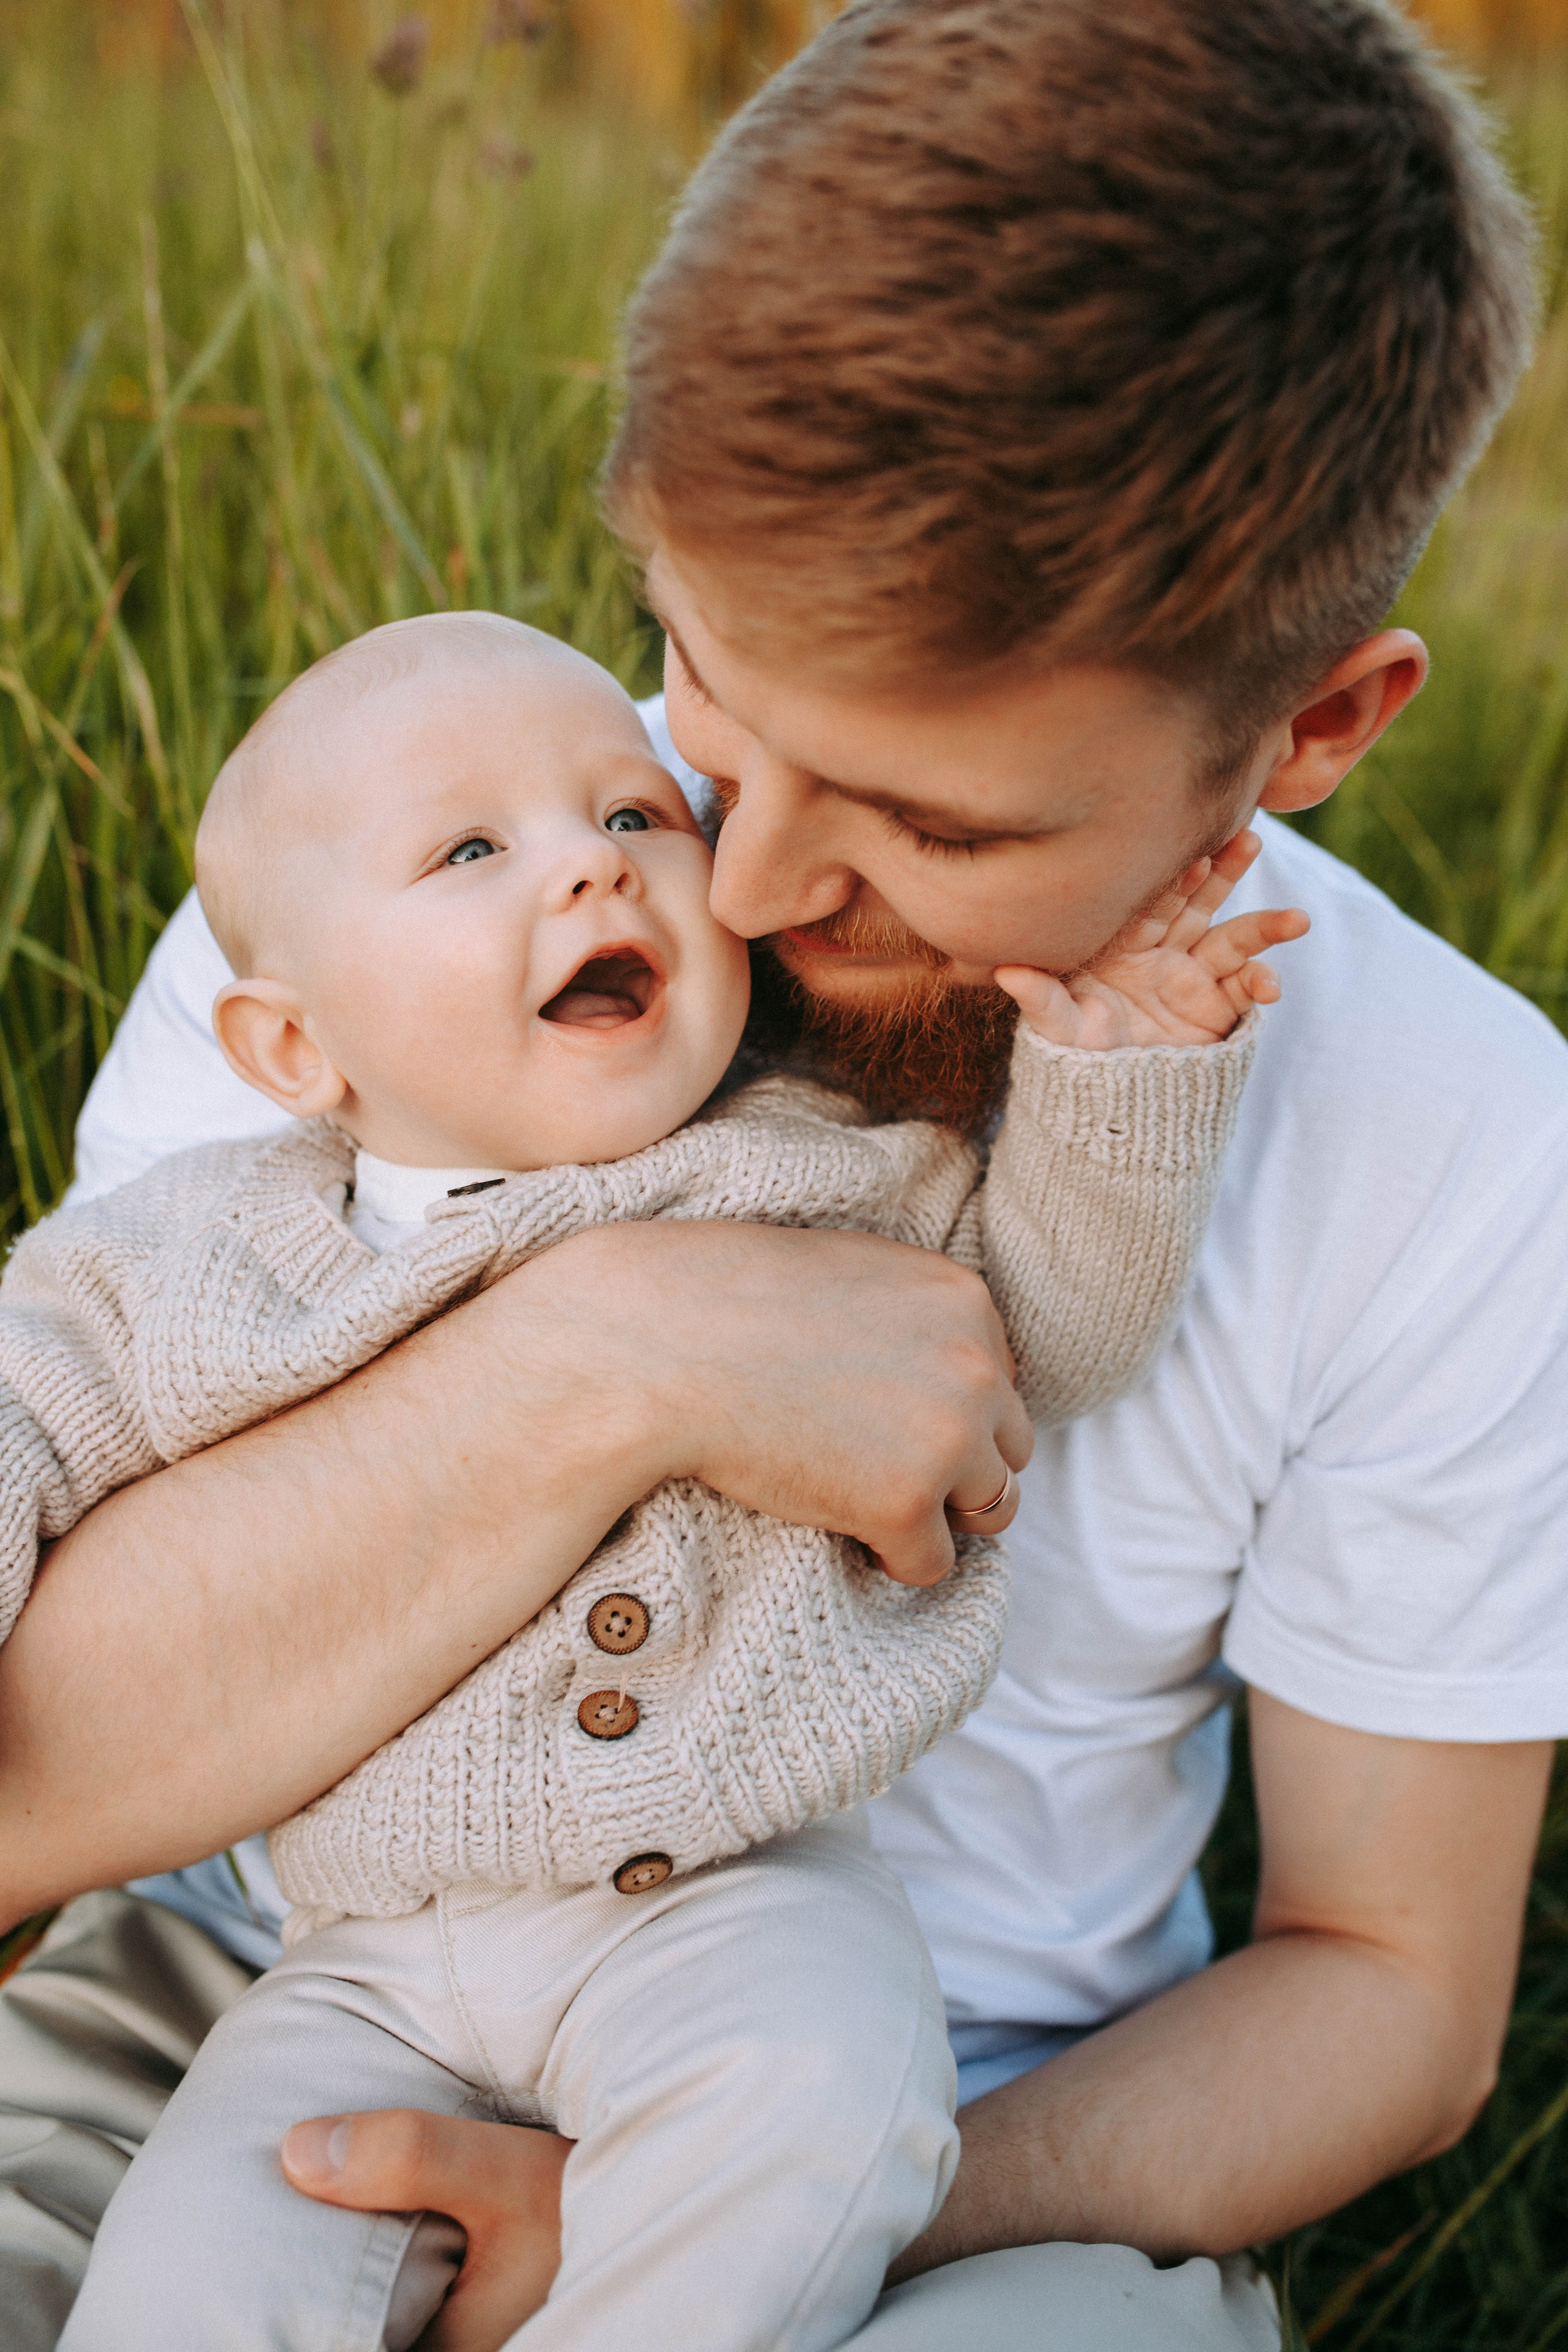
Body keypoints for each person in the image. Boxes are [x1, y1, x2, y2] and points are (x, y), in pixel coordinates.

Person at [1, 2, 1561, 2347]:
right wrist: (609, 1363)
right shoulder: (413, 880)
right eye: (703, 685)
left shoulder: (1456, 1131)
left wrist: (765, 2216)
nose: (731, 883)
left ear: (1314, 724)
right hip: (256, 1991)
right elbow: (29, 1785)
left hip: (972, 2117)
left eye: (942, 824)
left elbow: (1391, 1992)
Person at [12, 611, 1274, 2350]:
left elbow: (1046, 1342)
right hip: (362, 1957)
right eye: (471, 852)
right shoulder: (215, 1252)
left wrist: (1119, 1084)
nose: (594, 879)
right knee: (206, 2264)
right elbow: (32, 1404)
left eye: (633, 818)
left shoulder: (832, 1168)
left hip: (739, 1903)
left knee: (797, 2112)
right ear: (297, 1050)